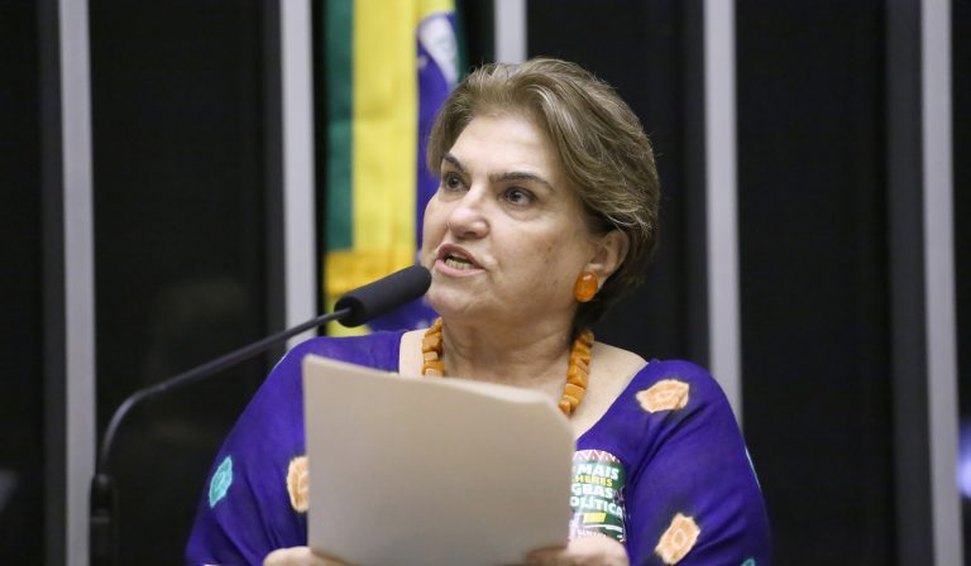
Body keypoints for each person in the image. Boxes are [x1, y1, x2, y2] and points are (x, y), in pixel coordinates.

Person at [186, 57, 771, 565]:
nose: (461, 216)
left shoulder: (668, 416)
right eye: (453, 181)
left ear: (600, 254)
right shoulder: (315, 387)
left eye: (516, 195)